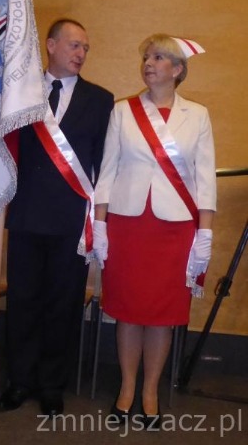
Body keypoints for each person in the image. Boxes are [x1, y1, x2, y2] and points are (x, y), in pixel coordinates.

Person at [93, 33, 216, 428]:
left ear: (178, 69)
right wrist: (99, 224)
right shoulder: (122, 112)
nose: (148, 63)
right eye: (147, 56)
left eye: (159, 57)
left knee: (162, 313)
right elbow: (107, 172)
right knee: (129, 311)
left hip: (174, 229)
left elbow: (204, 180)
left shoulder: (197, 115)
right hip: (128, 225)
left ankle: (150, 391)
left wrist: (205, 234)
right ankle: (127, 387)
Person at [0, 18, 114, 416]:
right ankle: (19, 380)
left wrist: (100, 220)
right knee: (23, 300)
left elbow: (103, 164)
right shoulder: (22, 94)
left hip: (70, 222)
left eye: (85, 48)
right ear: (50, 45)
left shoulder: (100, 100)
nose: (81, 54)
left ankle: (51, 385)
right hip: (26, 214)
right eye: (74, 45)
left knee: (63, 304)